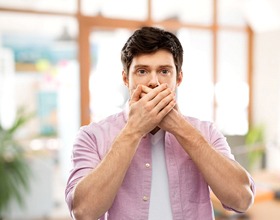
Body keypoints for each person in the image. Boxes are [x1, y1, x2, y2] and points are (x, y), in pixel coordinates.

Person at [65, 26, 255, 220]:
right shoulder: (92, 136)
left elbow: (242, 199)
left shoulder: (206, 131)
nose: (153, 82)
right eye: (142, 71)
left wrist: (180, 128)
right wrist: (133, 130)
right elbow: (82, 212)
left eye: (164, 71)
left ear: (178, 78)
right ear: (125, 78)